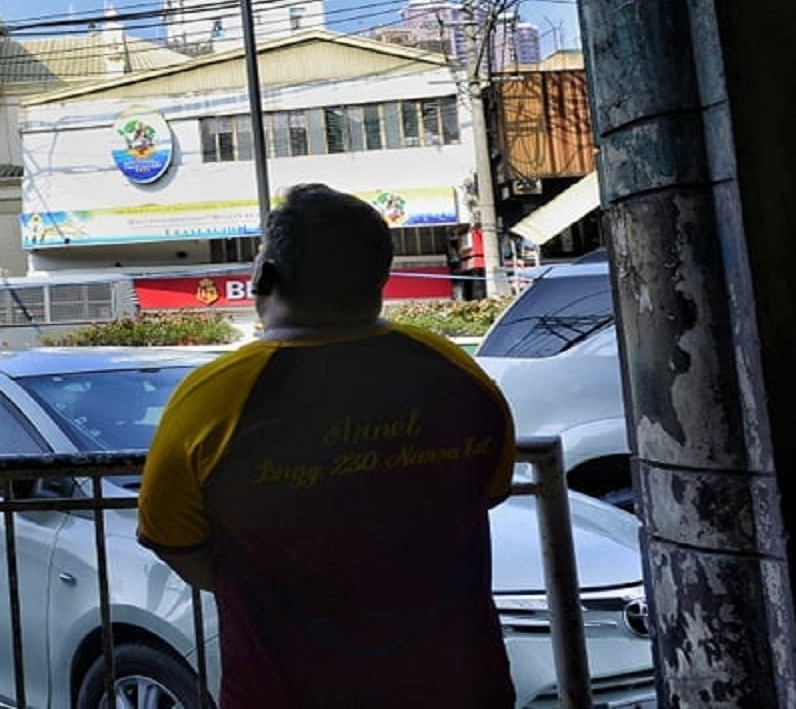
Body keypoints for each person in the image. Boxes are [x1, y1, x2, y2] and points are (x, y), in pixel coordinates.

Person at [136, 183, 516, 708]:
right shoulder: (457, 373)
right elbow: (487, 492)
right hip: (464, 687)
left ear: (263, 277)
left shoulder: (211, 399)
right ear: (380, 277)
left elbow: (177, 545)